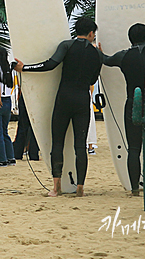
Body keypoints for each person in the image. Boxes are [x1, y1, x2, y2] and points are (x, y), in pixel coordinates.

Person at [15, 18, 102, 197]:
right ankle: (80, 188)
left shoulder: (67, 46)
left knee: (58, 142)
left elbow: (50, 64)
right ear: (91, 33)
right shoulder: (96, 54)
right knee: (80, 145)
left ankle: (56, 188)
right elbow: (93, 80)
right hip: (82, 100)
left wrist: (25, 68)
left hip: (64, 98)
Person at [99, 23, 145, 196]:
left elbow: (106, 60)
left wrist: (98, 51)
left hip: (132, 104)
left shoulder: (124, 56)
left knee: (134, 148)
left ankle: (135, 189)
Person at [0, 47, 17, 167]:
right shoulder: (10, 69)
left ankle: (0, 159)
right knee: (4, 131)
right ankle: (10, 157)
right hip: (8, 101)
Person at [12, 77, 40, 161]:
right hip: (36, 96)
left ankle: (17, 153)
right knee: (34, 127)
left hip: (25, 94)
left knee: (22, 127)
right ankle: (33, 154)